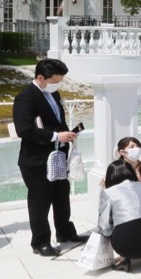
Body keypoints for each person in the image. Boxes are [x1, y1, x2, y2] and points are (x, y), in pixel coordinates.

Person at [12, 59, 87, 256]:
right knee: (40, 200)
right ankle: (40, 241)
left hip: (58, 155)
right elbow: (24, 130)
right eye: (56, 80)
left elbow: (57, 121)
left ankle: (65, 232)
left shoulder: (53, 93)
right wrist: (55, 136)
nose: (59, 84)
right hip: (37, 160)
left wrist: (67, 134)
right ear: (40, 78)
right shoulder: (25, 98)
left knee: (62, 195)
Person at [97, 160, 141, 272]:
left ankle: (124, 259)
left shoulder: (108, 192)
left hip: (125, 246)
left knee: (114, 226)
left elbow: (104, 226)